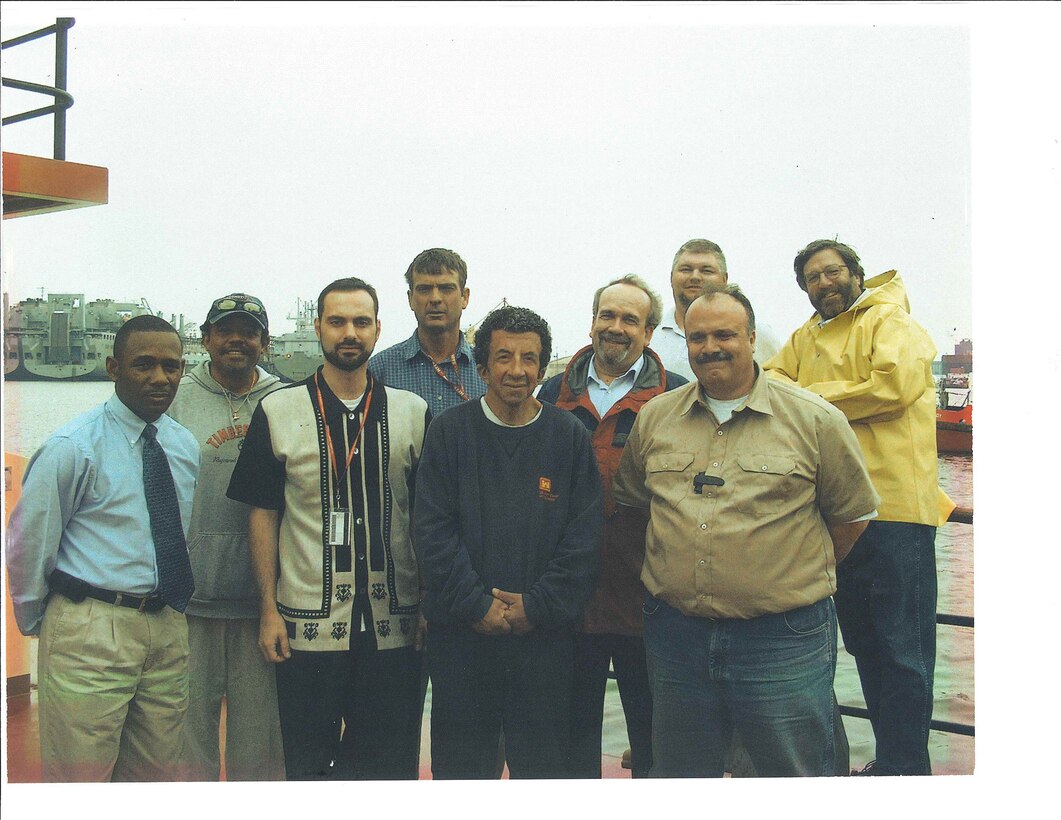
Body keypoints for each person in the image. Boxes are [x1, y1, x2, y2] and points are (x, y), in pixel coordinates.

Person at [613, 284, 879, 777]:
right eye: (697, 337)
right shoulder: (655, 418)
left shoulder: (815, 420)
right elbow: (631, 510)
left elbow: (851, 518)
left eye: (724, 334)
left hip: (782, 639)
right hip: (677, 637)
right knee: (681, 775)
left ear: (753, 338)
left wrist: (779, 574)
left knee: (792, 773)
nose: (710, 346)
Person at [226, 277, 429, 781]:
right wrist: (268, 611)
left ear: (379, 329)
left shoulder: (413, 412)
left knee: (388, 769)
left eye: (361, 322)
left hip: (395, 629)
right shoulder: (276, 410)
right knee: (308, 766)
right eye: (337, 321)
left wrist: (428, 605)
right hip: (305, 630)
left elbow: (428, 519)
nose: (349, 333)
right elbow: (262, 514)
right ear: (317, 327)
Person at [765, 239, 945, 776]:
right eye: (813, 278)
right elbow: (771, 381)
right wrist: (824, 397)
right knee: (866, 647)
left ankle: (908, 773)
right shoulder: (806, 335)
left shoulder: (893, 322)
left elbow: (891, 387)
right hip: (840, 516)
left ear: (855, 273)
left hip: (897, 514)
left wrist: (808, 397)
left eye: (833, 271)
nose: (825, 283)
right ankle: (889, 762)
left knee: (903, 653)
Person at [5, 314, 199, 782]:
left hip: (165, 628)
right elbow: (29, 543)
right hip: (90, 629)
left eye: (171, 366)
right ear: (113, 368)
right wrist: (40, 620)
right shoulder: (73, 447)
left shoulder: (183, 445)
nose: (160, 378)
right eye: (144, 365)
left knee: (156, 777)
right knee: (80, 781)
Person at [415, 305, 603, 779]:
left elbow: (583, 540)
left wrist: (534, 607)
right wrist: (476, 606)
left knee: (543, 777)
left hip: (544, 643)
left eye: (528, 358)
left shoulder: (569, 437)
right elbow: (433, 532)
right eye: (503, 357)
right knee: (462, 775)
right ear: (481, 367)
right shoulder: (447, 433)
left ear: (543, 369)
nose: (516, 370)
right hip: (462, 639)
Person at [538, 274, 686, 778]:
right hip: (569, 600)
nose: (616, 328)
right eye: (608, 315)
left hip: (649, 600)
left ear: (649, 332)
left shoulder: (678, 398)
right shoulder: (552, 391)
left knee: (655, 740)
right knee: (569, 738)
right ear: (592, 320)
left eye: (630, 319)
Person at [167, 293, 285, 781]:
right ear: (206, 337)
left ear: (265, 341)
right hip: (186, 605)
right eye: (225, 330)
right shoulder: (172, 398)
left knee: (259, 752)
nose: (237, 339)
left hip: (262, 608)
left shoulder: (286, 400)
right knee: (185, 747)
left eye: (249, 331)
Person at [369, 247, 486, 416]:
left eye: (446, 288)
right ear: (410, 299)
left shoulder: (486, 369)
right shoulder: (380, 370)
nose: (435, 299)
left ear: (465, 297)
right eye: (424, 289)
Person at [652, 238, 781, 380]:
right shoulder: (651, 337)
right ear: (671, 278)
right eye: (686, 269)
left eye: (706, 270)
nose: (695, 277)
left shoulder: (759, 334)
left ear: (724, 279)